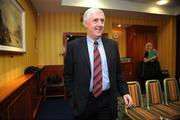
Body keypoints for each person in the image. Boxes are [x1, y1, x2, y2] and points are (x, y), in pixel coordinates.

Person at [64, 7, 133, 120]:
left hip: (107, 101)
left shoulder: (112, 45)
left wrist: (125, 92)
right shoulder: (74, 46)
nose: (100, 24)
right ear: (86, 23)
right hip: (84, 102)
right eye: (95, 20)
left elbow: (118, 73)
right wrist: (73, 98)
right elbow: (68, 75)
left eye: (102, 20)